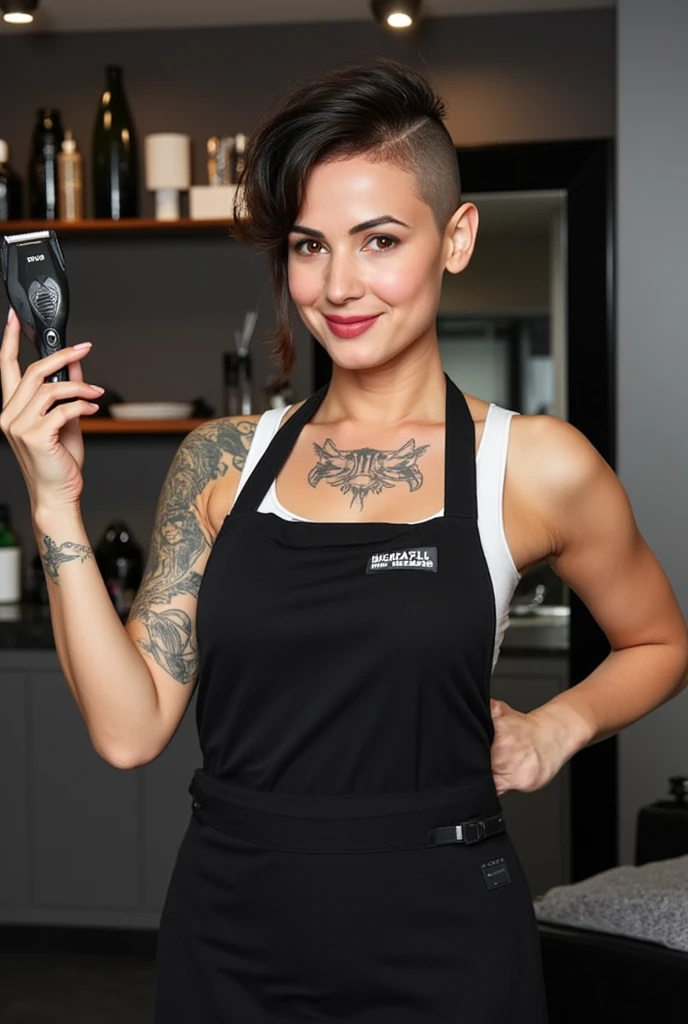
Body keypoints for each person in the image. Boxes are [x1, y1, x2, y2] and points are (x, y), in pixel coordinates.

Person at [1, 58, 687, 1023]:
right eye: (309, 246)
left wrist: (557, 728)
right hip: (230, 934)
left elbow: (660, 641)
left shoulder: (534, 466)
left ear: (456, 238)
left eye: (379, 240)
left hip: (447, 940)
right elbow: (129, 729)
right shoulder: (221, 462)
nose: (339, 284)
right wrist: (55, 504)